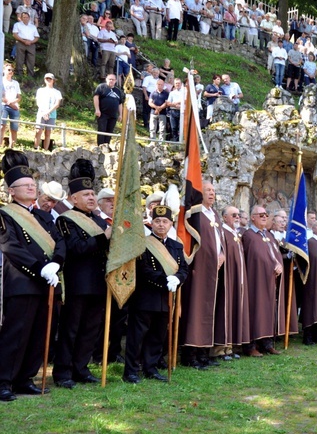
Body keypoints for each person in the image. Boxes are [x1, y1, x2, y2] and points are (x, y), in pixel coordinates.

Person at [0, 149, 65, 402]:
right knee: (16, 334)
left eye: (32, 184)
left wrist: (56, 264)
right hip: (22, 282)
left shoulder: (43, 215)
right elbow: (10, 247)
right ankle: (4, 380)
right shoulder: (5, 215)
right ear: (11, 191)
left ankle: (25, 378)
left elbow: (60, 242)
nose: (30, 188)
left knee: (40, 334)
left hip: (48, 283)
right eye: (24, 185)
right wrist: (40, 268)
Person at [54, 159, 111, 389]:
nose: (91, 198)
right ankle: (63, 372)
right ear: (74, 198)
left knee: (90, 330)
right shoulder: (65, 220)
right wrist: (103, 238)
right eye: (86, 194)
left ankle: (81, 368)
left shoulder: (99, 221)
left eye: (92, 193)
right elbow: (76, 248)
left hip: (99, 283)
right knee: (71, 329)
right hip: (77, 283)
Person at [122, 205, 188, 384]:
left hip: (166, 298)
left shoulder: (176, 246)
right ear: (151, 223)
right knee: (137, 336)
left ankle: (150, 368)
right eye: (157, 221)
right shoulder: (143, 244)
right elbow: (142, 270)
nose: (161, 225)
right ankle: (131, 371)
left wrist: (177, 279)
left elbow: (183, 268)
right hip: (146, 297)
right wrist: (164, 279)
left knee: (157, 335)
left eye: (164, 221)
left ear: (171, 224)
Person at [180, 181, 224, 369]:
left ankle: (204, 352)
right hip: (199, 269)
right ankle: (190, 354)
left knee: (210, 310)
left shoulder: (214, 214)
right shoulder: (196, 214)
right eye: (208, 190)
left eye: (214, 191)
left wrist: (222, 253)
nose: (212, 194)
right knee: (196, 310)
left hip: (214, 268)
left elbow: (219, 240)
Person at [242, 205, 296, 356]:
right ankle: (251, 345)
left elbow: (274, 254)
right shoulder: (248, 235)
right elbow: (252, 257)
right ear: (252, 217)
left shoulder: (268, 235)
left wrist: (277, 264)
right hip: (256, 280)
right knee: (256, 310)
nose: (265, 217)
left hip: (271, 280)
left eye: (266, 214)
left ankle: (266, 343)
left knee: (269, 310)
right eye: (261, 215)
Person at [219, 206, 250, 356]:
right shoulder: (222, 232)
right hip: (227, 277)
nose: (237, 217)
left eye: (239, 215)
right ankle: (221, 348)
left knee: (235, 309)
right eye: (234, 215)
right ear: (225, 217)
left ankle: (230, 347)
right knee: (226, 310)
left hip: (238, 278)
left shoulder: (235, 233)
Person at [93, 74, 124, 146]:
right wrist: (97, 109)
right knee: (102, 130)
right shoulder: (101, 87)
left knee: (109, 131)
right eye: (110, 79)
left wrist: (120, 115)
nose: (111, 81)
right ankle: (100, 146)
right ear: (106, 79)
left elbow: (120, 103)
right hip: (102, 113)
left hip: (113, 115)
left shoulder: (118, 91)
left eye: (113, 79)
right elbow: (96, 97)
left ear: (115, 81)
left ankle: (106, 145)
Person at [33, 73, 62, 151]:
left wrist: (48, 112)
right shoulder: (40, 90)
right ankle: (35, 148)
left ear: (53, 80)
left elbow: (57, 104)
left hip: (52, 114)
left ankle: (45, 150)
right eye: (46, 78)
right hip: (41, 113)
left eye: (50, 79)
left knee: (48, 132)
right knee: (38, 131)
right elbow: (38, 102)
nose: (48, 80)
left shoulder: (57, 92)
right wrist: (44, 112)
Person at [12, 11, 39, 77]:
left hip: (31, 44)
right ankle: (19, 75)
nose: (25, 18)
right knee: (19, 59)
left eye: (27, 17)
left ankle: (30, 76)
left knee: (31, 60)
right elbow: (15, 34)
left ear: (29, 18)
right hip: (21, 42)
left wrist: (31, 42)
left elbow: (37, 37)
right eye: (24, 17)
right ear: (21, 18)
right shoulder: (17, 24)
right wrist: (23, 41)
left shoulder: (33, 27)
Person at [1, 64, 22, 148]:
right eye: (9, 70)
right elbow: (2, 97)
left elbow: (19, 97)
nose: (11, 72)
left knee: (14, 128)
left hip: (14, 106)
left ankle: (12, 147)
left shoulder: (16, 83)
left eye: (12, 70)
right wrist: (11, 104)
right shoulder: (1, 81)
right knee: (2, 126)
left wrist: (14, 103)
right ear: (4, 71)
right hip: (4, 106)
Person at [165, 77, 184, 141]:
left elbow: (186, 100)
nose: (177, 85)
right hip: (173, 111)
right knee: (173, 127)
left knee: (181, 127)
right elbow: (168, 103)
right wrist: (175, 105)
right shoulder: (172, 93)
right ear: (174, 84)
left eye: (179, 83)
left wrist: (178, 102)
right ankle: (176, 140)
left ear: (181, 84)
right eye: (176, 83)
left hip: (182, 111)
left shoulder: (184, 92)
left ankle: (181, 141)